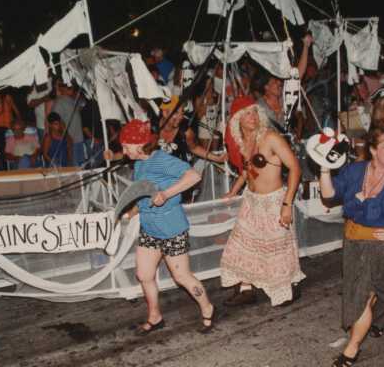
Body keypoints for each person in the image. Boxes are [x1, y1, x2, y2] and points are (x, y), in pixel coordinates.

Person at [118, 119, 216, 335]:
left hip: (172, 229)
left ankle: (207, 306)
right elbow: (142, 194)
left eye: (125, 146)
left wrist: (167, 194)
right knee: (144, 275)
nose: (123, 151)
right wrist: (128, 213)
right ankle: (155, 316)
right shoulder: (139, 164)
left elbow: (194, 176)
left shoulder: (161, 160)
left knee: (182, 277)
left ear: (138, 144)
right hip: (149, 229)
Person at [220, 95, 305, 307]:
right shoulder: (244, 142)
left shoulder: (271, 138)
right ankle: (246, 289)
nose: (252, 117)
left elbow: (295, 168)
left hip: (274, 202)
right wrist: (233, 191)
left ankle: (285, 289)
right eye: (246, 113)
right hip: (252, 201)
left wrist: (286, 204)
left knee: (276, 251)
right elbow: (247, 171)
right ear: (237, 119)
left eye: (255, 111)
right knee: (241, 245)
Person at [319, 126, 384, 367]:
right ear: (372, 150)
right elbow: (329, 195)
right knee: (364, 293)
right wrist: (324, 167)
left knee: (364, 296)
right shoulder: (356, 171)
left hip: (382, 246)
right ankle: (375, 324)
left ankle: (352, 348)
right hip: (353, 242)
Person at [158, 95, 227, 165]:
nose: (181, 116)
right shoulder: (153, 127)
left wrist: (217, 158)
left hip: (180, 170)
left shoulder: (186, 132)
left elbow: (194, 148)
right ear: (165, 113)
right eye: (176, 112)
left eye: (182, 112)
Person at [51, 81, 85, 167]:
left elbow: (82, 104)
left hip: (79, 138)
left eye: (71, 86)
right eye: (67, 86)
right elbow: (56, 123)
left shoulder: (72, 100)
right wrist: (67, 138)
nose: (70, 88)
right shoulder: (59, 103)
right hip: (70, 140)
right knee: (74, 166)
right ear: (61, 89)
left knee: (81, 165)